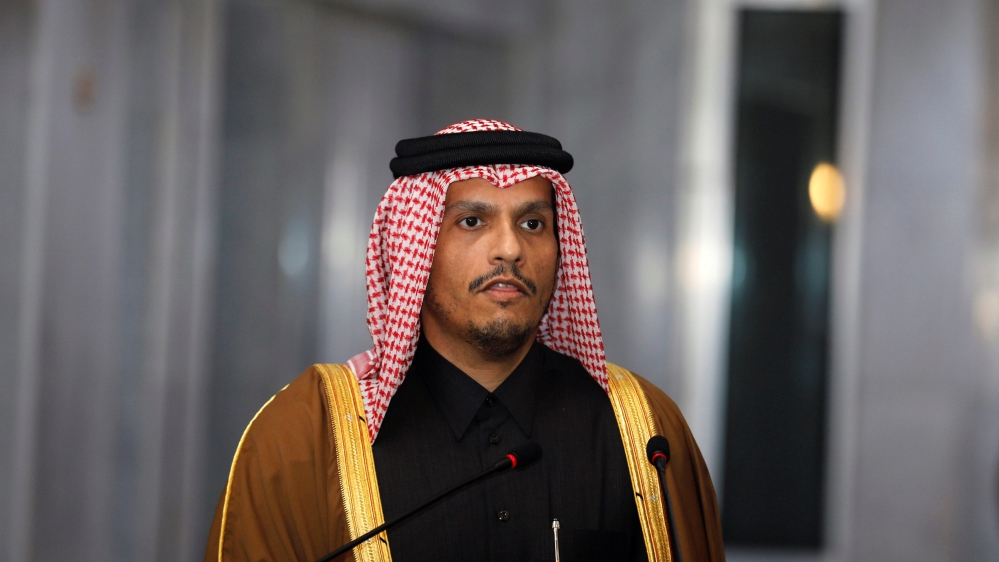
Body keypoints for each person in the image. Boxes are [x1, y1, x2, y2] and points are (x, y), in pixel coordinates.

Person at [205, 119, 724, 562]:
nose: (510, 248)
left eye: (533, 223)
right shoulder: (305, 437)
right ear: (415, 248)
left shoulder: (645, 433)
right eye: (472, 221)